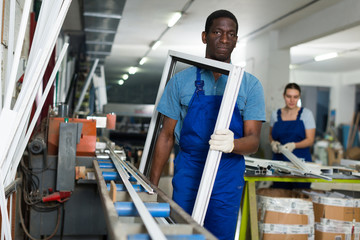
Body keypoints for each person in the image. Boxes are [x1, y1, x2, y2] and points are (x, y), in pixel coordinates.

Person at [149, 9, 265, 240]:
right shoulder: (181, 81)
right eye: (217, 32)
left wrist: (233, 144)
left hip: (227, 174)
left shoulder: (249, 85)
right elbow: (166, 136)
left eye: (231, 34)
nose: (224, 39)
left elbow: (253, 141)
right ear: (205, 36)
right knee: (183, 233)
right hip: (190, 169)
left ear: (236, 40)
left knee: (219, 234)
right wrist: (151, 188)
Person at [269, 83, 316, 189]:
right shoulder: (275, 114)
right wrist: (273, 142)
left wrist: (294, 145)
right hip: (279, 163)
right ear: (283, 96)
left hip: (300, 163)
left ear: (299, 97)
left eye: (295, 97)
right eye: (288, 96)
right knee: (279, 194)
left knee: (300, 196)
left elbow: (310, 140)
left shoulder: (306, 114)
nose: (292, 100)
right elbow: (270, 135)